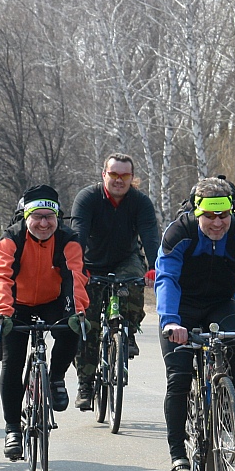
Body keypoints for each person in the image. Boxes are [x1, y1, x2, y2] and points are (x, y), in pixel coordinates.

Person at [156, 177, 235, 471]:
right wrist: (171, 322)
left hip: (220, 304)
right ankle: (178, 458)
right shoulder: (179, 232)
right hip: (181, 309)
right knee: (179, 379)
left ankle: (229, 392)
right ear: (197, 212)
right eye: (209, 216)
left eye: (223, 215)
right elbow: (166, 278)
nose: (217, 223)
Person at [0, 185, 89, 459]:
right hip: (17, 303)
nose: (44, 224)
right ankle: (12, 428)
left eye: (50, 217)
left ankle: (56, 377)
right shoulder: (11, 239)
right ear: (26, 217)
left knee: (71, 329)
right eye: (37, 217)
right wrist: (4, 313)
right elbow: (2, 278)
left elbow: (76, 278)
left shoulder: (69, 240)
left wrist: (77, 312)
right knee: (12, 362)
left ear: (58, 217)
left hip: (53, 301)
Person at [69, 153, 159, 410]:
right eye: (114, 174)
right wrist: (77, 268)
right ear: (104, 175)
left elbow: (150, 236)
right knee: (87, 326)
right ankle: (85, 384)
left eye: (125, 175)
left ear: (132, 178)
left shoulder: (140, 202)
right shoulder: (88, 198)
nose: (119, 180)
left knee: (132, 283)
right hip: (91, 262)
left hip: (125, 259)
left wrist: (155, 268)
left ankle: (127, 332)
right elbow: (78, 235)